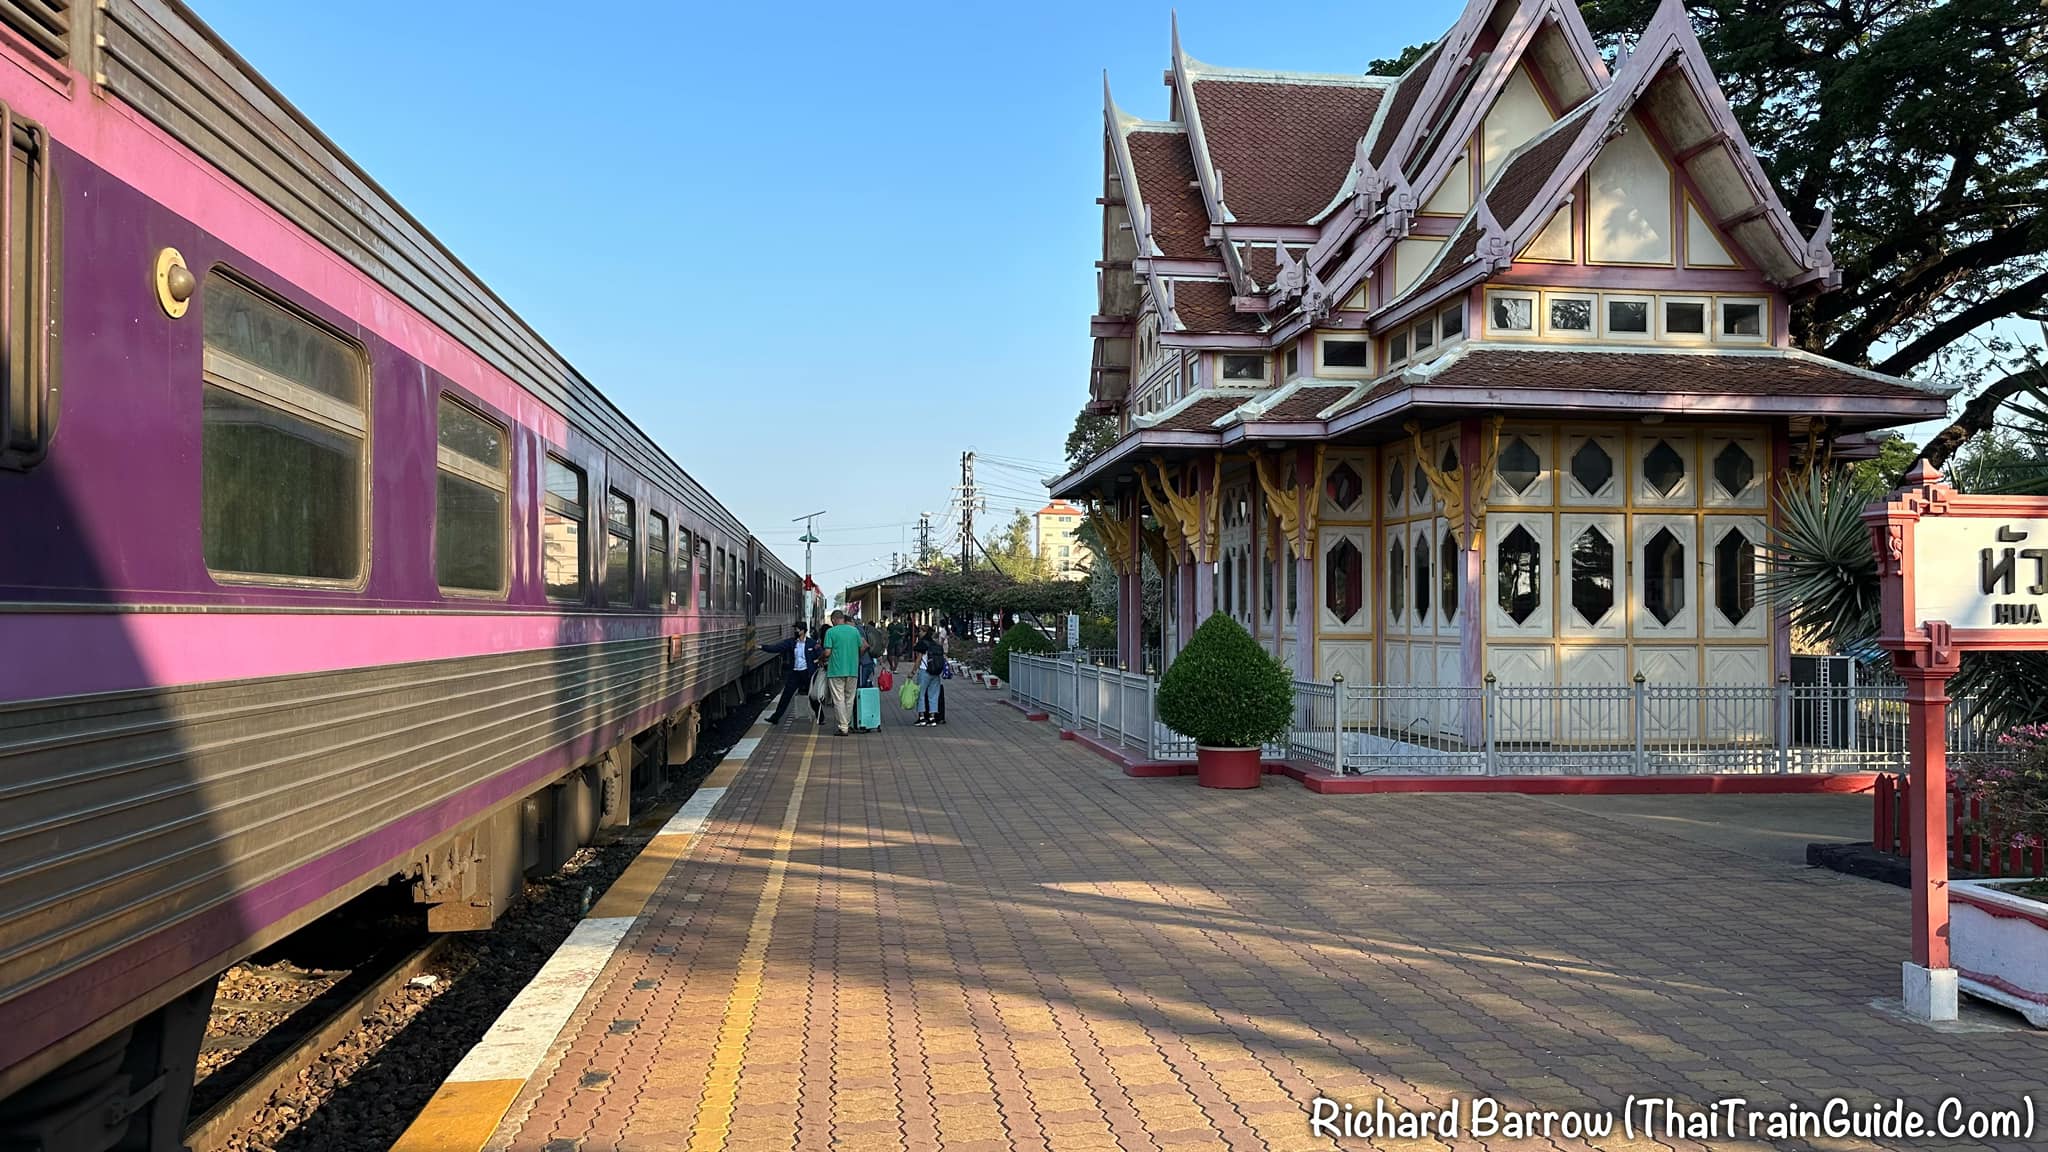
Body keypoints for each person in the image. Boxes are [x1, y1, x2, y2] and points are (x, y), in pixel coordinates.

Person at [759, 624, 818, 725]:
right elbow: (777, 648)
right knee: (786, 695)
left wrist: (814, 664)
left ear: (803, 631)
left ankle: (820, 716)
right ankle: (775, 717)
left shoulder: (811, 643)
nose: (795, 631)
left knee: (812, 696)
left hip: (807, 674)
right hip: (795, 673)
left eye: (797, 629)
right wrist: (761, 647)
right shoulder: (791, 642)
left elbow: (820, 654)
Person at [821, 610, 864, 736]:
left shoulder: (831, 632)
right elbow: (861, 647)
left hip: (836, 671)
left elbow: (827, 652)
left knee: (839, 699)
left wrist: (821, 658)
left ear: (834, 620)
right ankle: (847, 723)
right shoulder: (854, 631)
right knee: (849, 699)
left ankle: (843, 727)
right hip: (852, 670)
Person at [911, 624, 947, 727]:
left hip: (924, 671)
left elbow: (918, 659)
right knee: (933, 695)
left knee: (920, 695)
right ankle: (932, 718)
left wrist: (912, 671)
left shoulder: (923, 644)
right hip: (935, 673)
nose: (919, 633)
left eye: (921, 631)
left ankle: (922, 717)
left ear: (925, 632)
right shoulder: (935, 644)